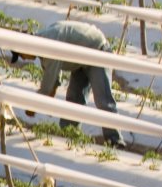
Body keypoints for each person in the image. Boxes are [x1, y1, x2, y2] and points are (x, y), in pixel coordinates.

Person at [11, 21, 126, 149]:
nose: (23, 58)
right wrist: (46, 103)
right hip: (80, 59)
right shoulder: (43, 45)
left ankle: (115, 141)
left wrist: (34, 105)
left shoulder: (48, 45)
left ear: (26, 47)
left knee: (103, 101)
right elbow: (53, 82)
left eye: (21, 55)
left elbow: (47, 85)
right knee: (74, 99)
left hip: (97, 51)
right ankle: (68, 136)